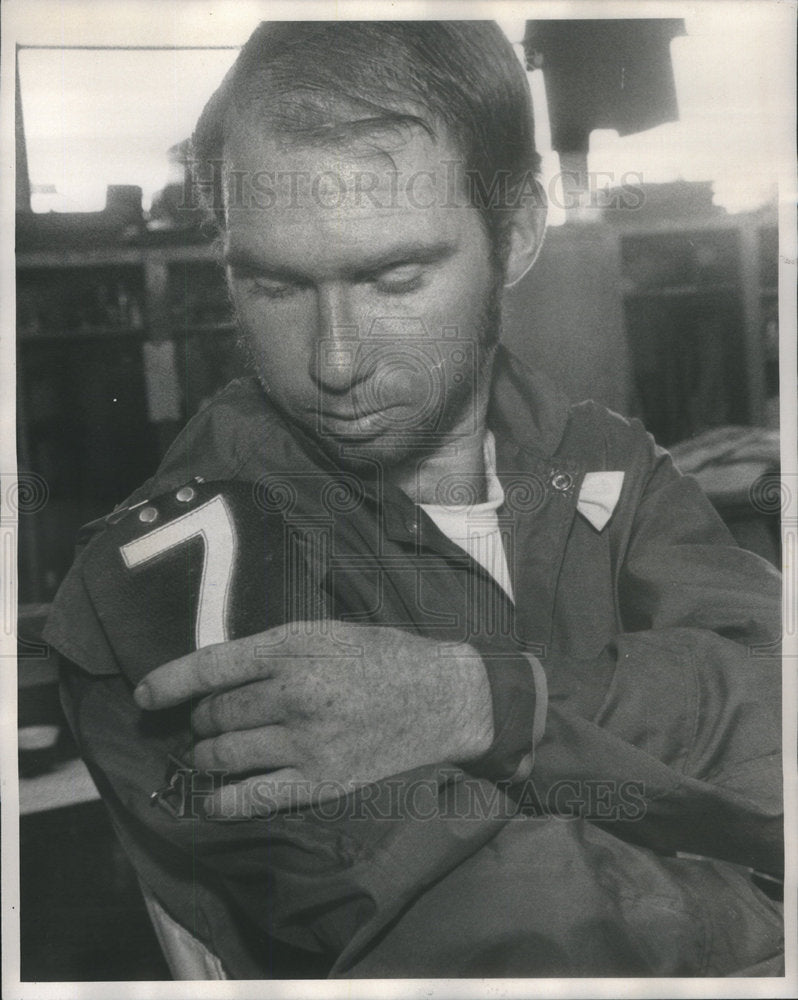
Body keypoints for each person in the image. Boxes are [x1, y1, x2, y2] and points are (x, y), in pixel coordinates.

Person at [44, 21, 783, 979]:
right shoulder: (176, 568)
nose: (335, 359)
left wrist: (492, 704)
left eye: (395, 278)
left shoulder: (599, 463)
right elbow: (496, 935)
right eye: (273, 286)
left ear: (515, 232)